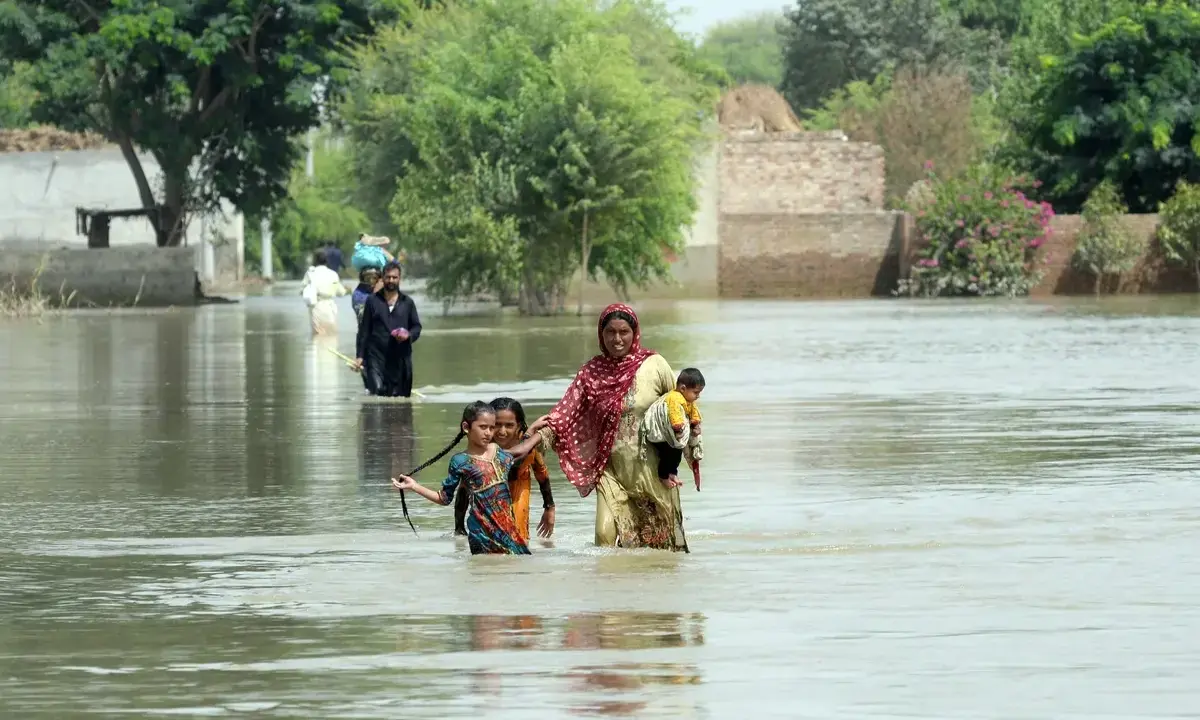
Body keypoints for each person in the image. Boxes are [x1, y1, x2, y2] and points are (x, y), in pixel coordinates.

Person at [528, 303, 690, 552]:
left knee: (662, 545)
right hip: (610, 470)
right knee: (603, 536)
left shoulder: (655, 366)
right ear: (600, 335)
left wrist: (678, 461)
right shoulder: (591, 373)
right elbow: (566, 413)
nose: (617, 339)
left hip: (652, 468)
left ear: (634, 333)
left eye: (623, 332)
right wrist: (537, 433)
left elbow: (680, 408)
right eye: (610, 332)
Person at [391, 401, 544, 555]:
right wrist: (414, 486)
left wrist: (542, 431)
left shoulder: (498, 452)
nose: (489, 433)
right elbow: (444, 498)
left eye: (492, 427)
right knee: (485, 573)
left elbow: (522, 450)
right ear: (466, 427)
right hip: (481, 534)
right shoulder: (460, 461)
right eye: (483, 427)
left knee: (517, 570)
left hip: (508, 531)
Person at [452, 397, 555, 544]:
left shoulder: (528, 445)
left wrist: (549, 508)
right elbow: (464, 489)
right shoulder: (483, 446)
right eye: (497, 425)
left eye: (509, 425)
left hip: (519, 485)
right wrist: (459, 529)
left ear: (518, 425)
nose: (502, 431)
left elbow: (541, 474)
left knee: (519, 538)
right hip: (490, 494)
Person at [355, 262, 421, 397]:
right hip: (376, 358)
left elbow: (416, 327)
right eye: (388, 277)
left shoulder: (407, 303)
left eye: (394, 277)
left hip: (401, 359)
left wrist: (408, 335)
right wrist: (360, 356)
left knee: (401, 399)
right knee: (378, 392)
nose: (391, 280)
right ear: (382, 279)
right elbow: (364, 331)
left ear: (399, 279)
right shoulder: (372, 301)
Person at [643, 367, 705, 492]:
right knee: (669, 453)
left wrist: (695, 425)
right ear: (683, 388)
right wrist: (678, 429)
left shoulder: (687, 400)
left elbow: (694, 413)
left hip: (672, 437)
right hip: (661, 436)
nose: (698, 396)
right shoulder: (675, 398)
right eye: (696, 392)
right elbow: (674, 414)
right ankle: (663, 476)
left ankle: (672, 473)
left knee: (676, 453)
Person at [300, 249, 347, 336]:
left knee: (318, 334)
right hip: (330, 307)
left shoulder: (310, 273)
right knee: (331, 335)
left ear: (315, 261)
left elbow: (303, 289)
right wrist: (347, 290)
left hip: (316, 306)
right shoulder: (333, 274)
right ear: (326, 261)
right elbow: (341, 293)